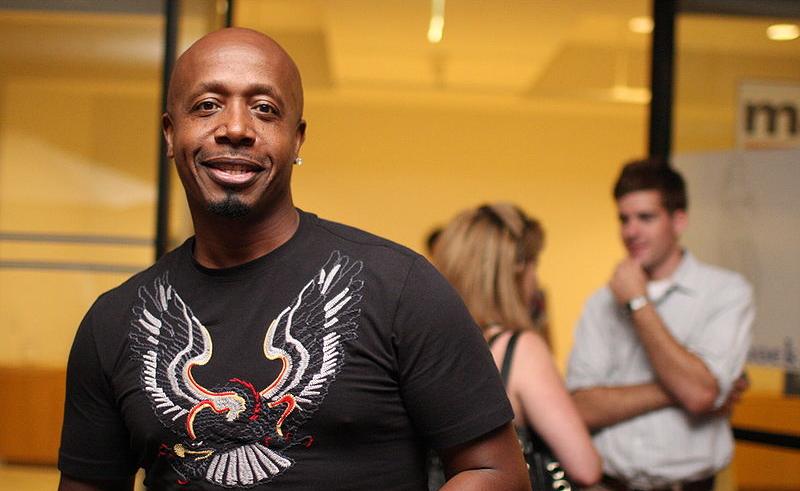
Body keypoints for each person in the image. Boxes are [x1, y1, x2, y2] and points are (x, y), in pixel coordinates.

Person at [57, 28, 529, 491]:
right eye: (207, 106)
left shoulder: (401, 288)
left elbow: (498, 473)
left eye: (264, 109)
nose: (235, 129)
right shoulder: (113, 321)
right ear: (169, 132)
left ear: (297, 138)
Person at [566, 160, 754, 491]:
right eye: (624, 219)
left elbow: (699, 394)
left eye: (646, 217)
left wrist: (638, 303)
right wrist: (685, 387)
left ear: (678, 220)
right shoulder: (600, 302)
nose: (631, 231)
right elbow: (581, 408)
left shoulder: (726, 291)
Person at [432, 203, 602, 487]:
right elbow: (585, 467)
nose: (536, 280)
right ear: (515, 271)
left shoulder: (432, 346)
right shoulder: (520, 349)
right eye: (535, 264)